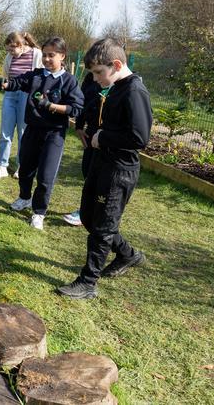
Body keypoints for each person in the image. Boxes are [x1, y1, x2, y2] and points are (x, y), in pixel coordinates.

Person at [56, 38, 153, 300]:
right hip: (101, 162)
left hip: (119, 170)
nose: (96, 79)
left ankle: (88, 282)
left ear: (117, 65)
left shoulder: (134, 91)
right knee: (89, 218)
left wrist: (103, 138)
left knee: (103, 227)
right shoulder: (114, 87)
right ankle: (127, 254)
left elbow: (139, 138)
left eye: (99, 72)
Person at [1, 37, 83, 230]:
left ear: (62, 56)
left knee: (45, 176)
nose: (46, 59)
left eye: (51, 55)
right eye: (44, 55)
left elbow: (76, 108)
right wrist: (5, 84)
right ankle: (24, 198)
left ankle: (39, 212)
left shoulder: (69, 81)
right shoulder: (36, 76)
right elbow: (19, 82)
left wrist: (52, 106)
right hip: (32, 129)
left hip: (54, 134)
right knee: (26, 168)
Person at [0, 32, 43, 179]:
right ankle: (2, 166)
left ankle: (21, 166)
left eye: (12, 49)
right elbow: (7, 75)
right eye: (8, 50)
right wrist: (3, 84)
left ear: (21, 45)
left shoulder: (36, 54)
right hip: (10, 95)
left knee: (23, 133)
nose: (10, 53)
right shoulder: (9, 57)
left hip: (26, 96)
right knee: (5, 132)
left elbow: (41, 76)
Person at [62, 71, 101, 226]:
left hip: (105, 134)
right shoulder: (91, 78)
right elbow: (83, 101)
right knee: (87, 170)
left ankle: (88, 213)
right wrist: (79, 126)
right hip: (91, 131)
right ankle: (88, 210)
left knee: (97, 175)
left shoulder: (118, 83)